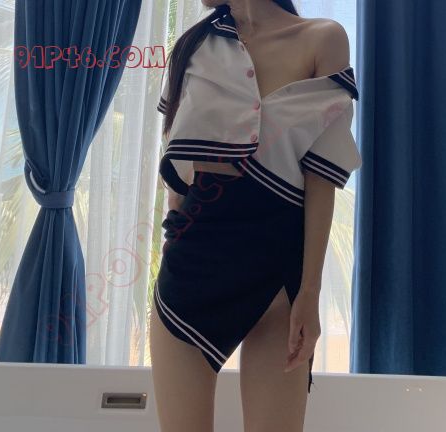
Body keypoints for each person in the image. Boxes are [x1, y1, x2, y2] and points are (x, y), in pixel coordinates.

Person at [148, 1, 362, 431]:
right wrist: (173, 237)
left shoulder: (323, 39)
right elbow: (179, 168)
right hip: (192, 270)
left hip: (277, 280)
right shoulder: (193, 46)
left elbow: (321, 176)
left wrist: (310, 293)